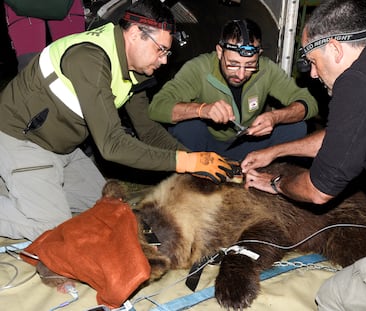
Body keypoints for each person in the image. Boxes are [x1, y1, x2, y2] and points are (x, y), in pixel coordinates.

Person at [0, 0, 233, 241]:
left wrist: (198, 162)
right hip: (22, 140)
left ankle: (20, 187)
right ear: (134, 34)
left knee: (108, 210)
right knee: (53, 229)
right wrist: (185, 162)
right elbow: (111, 145)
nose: (164, 60)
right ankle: (25, 188)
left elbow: (148, 130)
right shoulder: (89, 59)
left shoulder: (133, 68)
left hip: (63, 149)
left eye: (167, 52)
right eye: (160, 50)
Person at [242, 0, 366, 309]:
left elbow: (319, 190)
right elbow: (345, 137)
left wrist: (275, 184)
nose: (310, 73)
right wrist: (276, 150)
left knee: (334, 297)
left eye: (311, 60)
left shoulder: (359, 83)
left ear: (334, 48)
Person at [148, 18, 318, 161]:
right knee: (187, 127)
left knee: (296, 126)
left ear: (259, 55)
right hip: (206, 148)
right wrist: (202, 110)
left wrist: (275, 117)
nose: (241, 74)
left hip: (247, 145)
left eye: (250, 65)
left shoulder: (266, 69)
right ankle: (197, 174)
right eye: (233, 64)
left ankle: (262, 167)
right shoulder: (199, 68)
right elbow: (157, 107)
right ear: (220, 52)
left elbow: (309, 102)